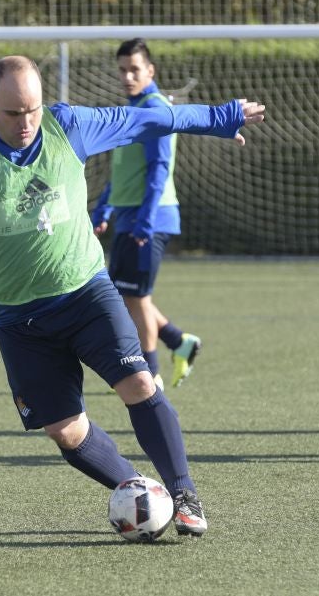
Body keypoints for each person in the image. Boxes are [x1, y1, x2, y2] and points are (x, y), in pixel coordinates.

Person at [0, 55, 266, 535]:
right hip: (19, 321)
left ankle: (182, 492)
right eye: (12, 113)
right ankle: (140, 492)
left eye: (33, 109)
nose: (26, 123)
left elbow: (150, 118)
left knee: (139, 385)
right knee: (65, 431)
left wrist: (218, 119)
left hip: (87, 294)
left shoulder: (67, 125)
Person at [90, 38, 200, 389]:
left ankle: (150, 374)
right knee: (126, 294)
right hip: (129, 216)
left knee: (134, 298)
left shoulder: (155, 109)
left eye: (134, 69)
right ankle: (177, 341)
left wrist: (145, 221)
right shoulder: (131, 109)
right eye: (122, 70)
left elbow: (159, 169)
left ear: (150, 71)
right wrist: (104, 207)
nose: (127, 76)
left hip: (147, 219)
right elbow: (122, 171)